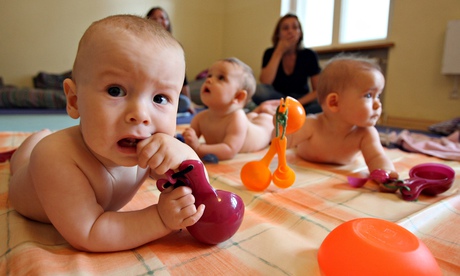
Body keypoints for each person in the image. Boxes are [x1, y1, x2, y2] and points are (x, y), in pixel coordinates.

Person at [8, 15, 206, 252]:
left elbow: (191, 179)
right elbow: (91, 231)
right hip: (31, 173)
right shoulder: (54, 157)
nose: (140, 114)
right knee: (25, 157)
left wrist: (183, 154)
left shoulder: (146, 144)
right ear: (74, 100)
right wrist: (159, 219)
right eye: (116, 91)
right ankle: (33, 140)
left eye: (160, 98)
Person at [284, 55, 398, 180]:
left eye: (378, 96)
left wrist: (385, 173)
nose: (378, 104)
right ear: (334, 102)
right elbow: (281, 141)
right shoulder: (312, 124)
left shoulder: (365, 134)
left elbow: (377, 157)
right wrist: (282, 125)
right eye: (369, 95)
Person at [182, 58, 274, 161]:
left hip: (266, 128)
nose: (208, 80)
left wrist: (199, 148)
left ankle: (266, 110)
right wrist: (187, 139)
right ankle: (255, 113)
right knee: (251, 117)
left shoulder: (236, 117)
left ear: (238, 96)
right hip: (249, 121)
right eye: (209, 75)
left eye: (221, 78)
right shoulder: (200, 118)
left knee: (269, 121)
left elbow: (229, 150)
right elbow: (189, 144)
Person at [253, 14, 322, 115]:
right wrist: (279, 51)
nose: (290, 31)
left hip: (301, 99)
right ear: (278, 34)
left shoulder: (309, 54)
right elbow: (265, 81)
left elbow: (317, 90)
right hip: (278, 98)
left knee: (323, 104)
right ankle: (293, 113)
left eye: (295, 27)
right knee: (258, 90)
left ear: (300, 33)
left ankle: (289, 112)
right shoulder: (270, 52)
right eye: (285, 28)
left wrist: (296, 104)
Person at [146, 6, 195, 114]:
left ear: (167, 22)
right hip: (148, 90)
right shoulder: (144, 45)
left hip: (167, 92)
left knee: (184, 102)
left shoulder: (175, 46)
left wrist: (190, 102)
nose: (159, 21)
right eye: (154, 18)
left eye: (162, 18)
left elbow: (183, 78)